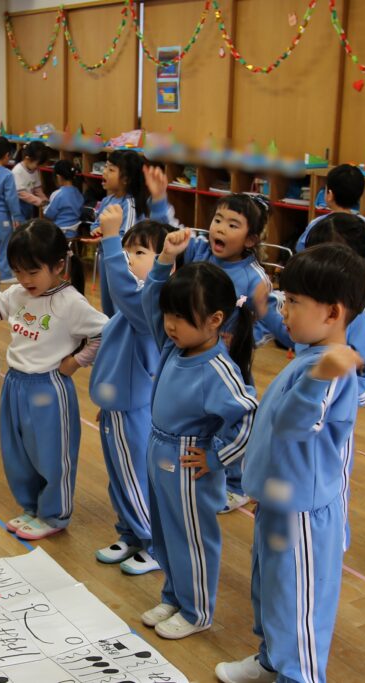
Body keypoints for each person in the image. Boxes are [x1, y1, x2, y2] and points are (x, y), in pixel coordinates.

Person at [216, 244, 365, 683]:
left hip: (302, 512)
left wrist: (321, 376)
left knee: (298, 603)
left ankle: (297, 673)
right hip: (277, 501)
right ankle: (272, 660)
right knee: (272, 591)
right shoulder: (311, 353)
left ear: (332, 313)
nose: (285, 311)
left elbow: (293, 426)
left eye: (294, 302)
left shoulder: (330, 370)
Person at [138, 229, 258, 641]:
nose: (170, 325)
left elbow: (249, 418)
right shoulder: (174, 346)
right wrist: (163, 261)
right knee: (164, 532)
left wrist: (217, 458)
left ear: (214, 320)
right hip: (159, 450)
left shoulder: (218, 369)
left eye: (182, 318)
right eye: (169, 315)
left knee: (191, 538)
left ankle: (196, 611)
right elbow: (151, 303)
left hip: (189, 462)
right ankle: (174, 595)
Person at [0, 219, 107, 540]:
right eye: (18, 271)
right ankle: (32, 507)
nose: (25, 279)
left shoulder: (71, 303)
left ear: (58, 266)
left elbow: (107, 333)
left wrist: (76, 361)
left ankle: (54, 515)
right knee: (18, 453)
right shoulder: (18, 293)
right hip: (15, 384)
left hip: (49, 388)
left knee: (52, 455)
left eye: (32, 271)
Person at [146, 170, 271, 514]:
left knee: (229, 416)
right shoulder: (201, 250)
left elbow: (267, 319)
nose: (220, 229)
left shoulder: (254, 277)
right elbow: (173, 235)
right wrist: (159, 199)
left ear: (250, 240)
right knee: (203, 417)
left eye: (233, 224)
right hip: (193, 353)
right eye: (218, 220)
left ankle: (235, 483)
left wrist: (244, 337)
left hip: (229, 358)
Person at [302, 213, 365, 550]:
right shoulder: (313, 304)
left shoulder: (362, 313)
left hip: (333, 425)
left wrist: (344, 401)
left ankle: (332, 546)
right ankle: (301, 539)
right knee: (302, 476)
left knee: (331, 484)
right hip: (305, 414)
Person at [89, 208, 170, 576]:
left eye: (139, 252)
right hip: (117, 408)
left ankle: (153, 543)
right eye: (126, 251)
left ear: (165, 264)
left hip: (133, 410)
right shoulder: (130, 306)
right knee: (120, 476)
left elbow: (122, 289)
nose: (128, 258)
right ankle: (131, 534)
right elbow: (116, 295)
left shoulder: (150, 307)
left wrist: (109, 237)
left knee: (134, 477)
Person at [89, 150, 154, 317]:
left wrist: (106, 235)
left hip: (123, 263)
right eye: (105, 167)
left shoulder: (130, 204)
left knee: (120, 306)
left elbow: (127, 240)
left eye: (111, 169)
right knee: (107, 305)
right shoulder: (107, 200)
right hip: (106, 258)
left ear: (126, 179)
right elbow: (96, 223)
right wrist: (96, 230)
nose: (104, 172)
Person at [295, 164, 365, 255]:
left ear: (330, 195)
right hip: (356, 264)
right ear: (360, 195)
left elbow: (301, 249)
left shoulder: (317, 223)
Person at [0, 136, 26, 283]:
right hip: (1, 216)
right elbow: (11, 198)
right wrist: (17, 216)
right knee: (4, 245)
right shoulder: (7, 174)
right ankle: (5, 275)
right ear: (7, 155)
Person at [43, 160, 85, 238]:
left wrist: (44, 206)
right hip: (74, 232)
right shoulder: (78, 193)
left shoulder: (57, 194)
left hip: (59, 233)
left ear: (58, 177)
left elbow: (48, 214)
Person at [12, 140, 49, 219]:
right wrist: (39, 201)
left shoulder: (34, 169)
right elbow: (21, 193)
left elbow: (37, 188)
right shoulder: (17, 171)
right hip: (18, 205)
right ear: (27, 159)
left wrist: (45, 200)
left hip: (29, 203)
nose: (38, 167)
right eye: (37, 164)